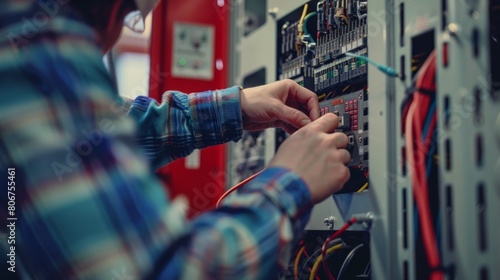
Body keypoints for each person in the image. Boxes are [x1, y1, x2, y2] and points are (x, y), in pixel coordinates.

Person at [0, 0, 350, 279]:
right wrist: (291, 184)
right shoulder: (38, 45)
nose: (113, 36)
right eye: (130, 16)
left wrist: (235, 107)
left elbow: (102, 133)